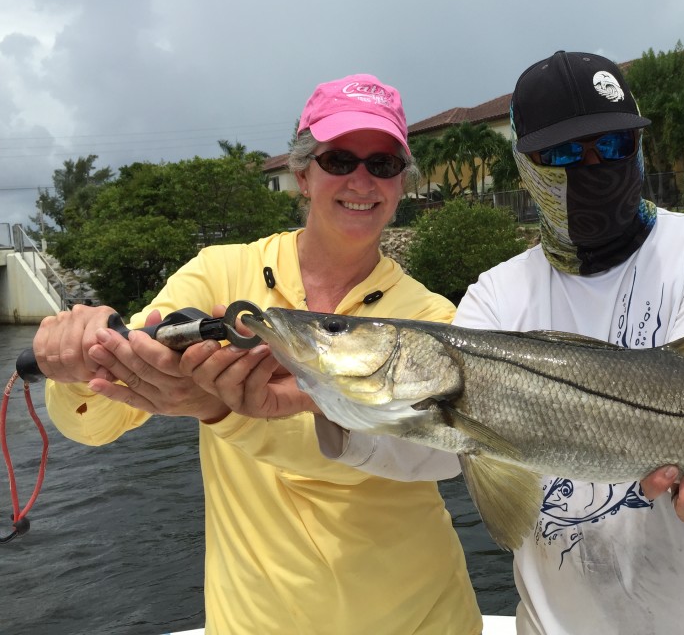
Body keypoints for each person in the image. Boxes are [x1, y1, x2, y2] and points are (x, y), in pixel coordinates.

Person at [34, 75, 483, 635]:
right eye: (339, 159)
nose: (362, 180)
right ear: (302, 174)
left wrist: (220, 410)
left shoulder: (432, 317)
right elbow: (98, 422)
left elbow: (410, 453)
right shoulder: (218, 271)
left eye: (384, 164)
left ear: (401, 182)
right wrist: (81, 367)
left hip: (420, 617)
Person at [451, 50, 684, 634]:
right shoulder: (495, 296)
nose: (595, 165)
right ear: (525, 166)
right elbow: (430, 445)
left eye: (615, 144)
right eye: (565, 154)